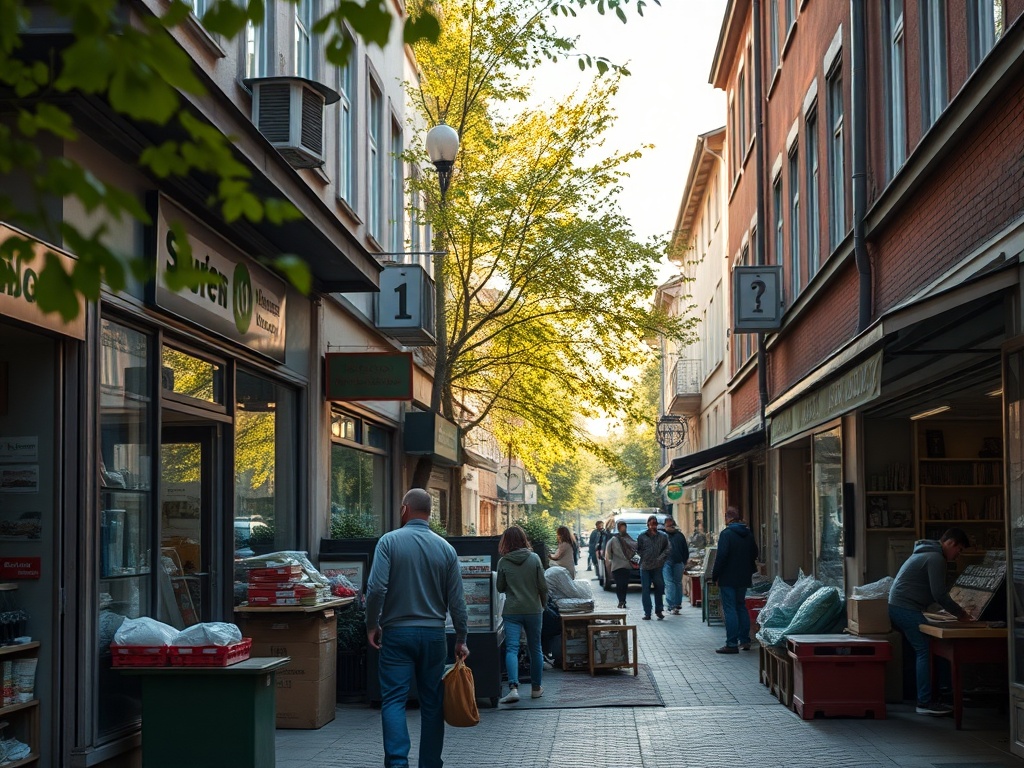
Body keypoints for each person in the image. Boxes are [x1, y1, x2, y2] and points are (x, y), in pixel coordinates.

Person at [365, 488, 469, 768]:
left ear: (404, 509)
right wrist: (461, 637)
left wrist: (372, 624)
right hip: (434, 635)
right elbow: (457, 601)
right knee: (433, 704)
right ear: (430, 513)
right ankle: (430, 764)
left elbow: (376, 588)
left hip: (397, 633)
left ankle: (398, 763)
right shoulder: (446, 549)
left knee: (394, 701)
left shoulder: (389, 542)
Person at [888, 528, 972, 716]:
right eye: (959, 550)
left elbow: (930, 593)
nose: (958, 555)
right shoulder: (936, 559)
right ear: (950, 543)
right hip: (904, 608)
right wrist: (961, 615)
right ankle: (924, 703)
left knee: (931, 647)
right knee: (925, 649)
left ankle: (938, 694)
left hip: (899, 606)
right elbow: (939, 594)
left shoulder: (925, 553)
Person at [495, 525, 547, 703]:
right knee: (535, 649)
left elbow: (500, 587)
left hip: (512, 610)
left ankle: (513, 688)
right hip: (533, 609)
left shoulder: (503, 562)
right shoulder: (534, 558)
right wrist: (543, 604)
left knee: (511, 649)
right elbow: (543, 586)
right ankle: (536, 688)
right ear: (523, 539)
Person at [711, 505, 759, 654]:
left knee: (730, 609)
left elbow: (721, 556)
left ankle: (731, 643)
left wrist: (715, 575)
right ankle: (745, 641)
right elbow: (755, 553)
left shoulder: (726, 534)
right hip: (743, 576)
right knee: (741, 606)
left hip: (728, 577)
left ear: (728, 518)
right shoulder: (748, 533)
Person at [636, 515, 670, 620]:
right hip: (645, 567)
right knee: (645, 590)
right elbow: (638, 549)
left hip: (657, 567)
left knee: (659, 588)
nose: (653, 526)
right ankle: (647, 612)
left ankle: (659, 610)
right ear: (647, 525)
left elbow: (668, 549)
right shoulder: (642, 536)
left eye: (655, 524)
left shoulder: (663, 536)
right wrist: (644, 557)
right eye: (651, 524)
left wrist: (660, 558)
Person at [604, 520, 636, 609]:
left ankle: (623, 600)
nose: (623, 529)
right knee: (619, 584)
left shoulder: (628, 538)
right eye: (621, 527)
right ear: (618, 528)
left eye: (624, 527)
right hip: (617, 566)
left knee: (624, 584)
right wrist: (609, 564)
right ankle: (621, 601)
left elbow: (635, 548)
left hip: (626, 566)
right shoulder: (614, 539)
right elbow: (608, 553)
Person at [663, 517, 690, 615]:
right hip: (666, 562)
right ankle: (671, 604)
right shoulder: (663, 536)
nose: (670, 526)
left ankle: (677, 604)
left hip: (678, 562)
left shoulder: (679, 536)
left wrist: (684, 562)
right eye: (668, 525)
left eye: (671, 525)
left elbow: (685, 550)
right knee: (670, 583)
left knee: (677, 583)